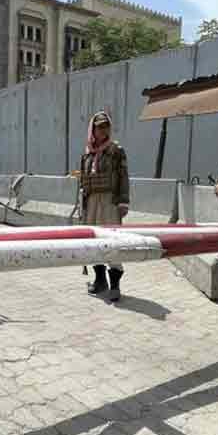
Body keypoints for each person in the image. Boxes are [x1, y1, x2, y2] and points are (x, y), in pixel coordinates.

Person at [78, 111, 130, 302]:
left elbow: (123, 177)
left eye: (106, 126)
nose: (103, 130)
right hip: (91, 202)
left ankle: (115, 285)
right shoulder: (87, 153)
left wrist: (123, 201)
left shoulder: (116, 151)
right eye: (99, 127)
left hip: (110, 201)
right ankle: (100, 281)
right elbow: (83, 180)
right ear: (93, 129)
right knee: (93, 240)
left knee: (112, 240)